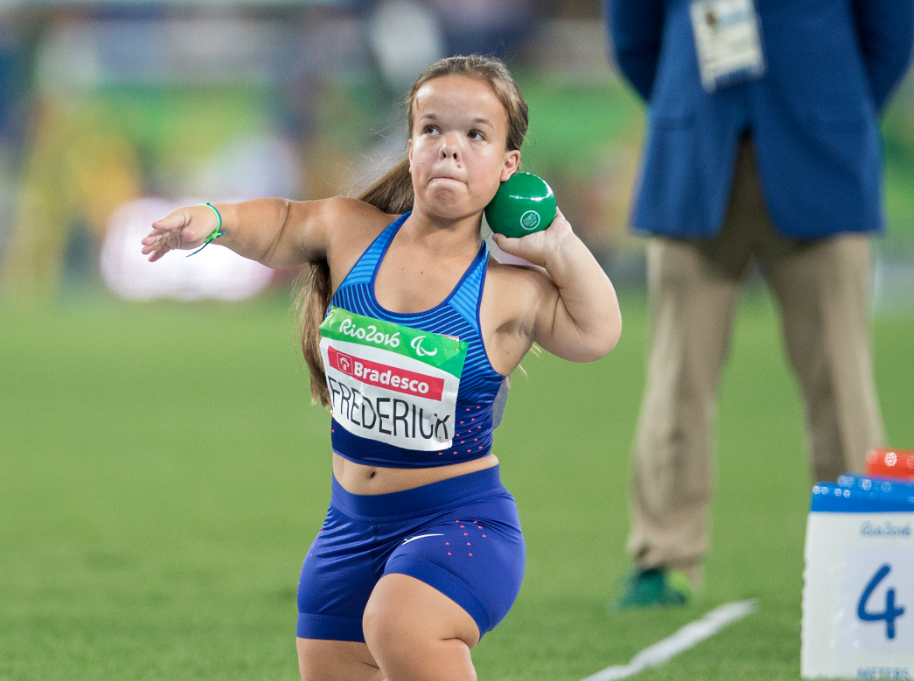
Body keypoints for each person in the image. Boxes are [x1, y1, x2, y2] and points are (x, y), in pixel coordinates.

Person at [142, 55, 621, 681]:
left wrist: (553, 237)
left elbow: (597, 332)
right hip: (348, 528)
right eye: (432, 129)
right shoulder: (351, 233)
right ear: (412, 145)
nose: (450, 147)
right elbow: (284, 221)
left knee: (402, 624)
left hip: (459, 525)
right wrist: (214, 220)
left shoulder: (508, 292)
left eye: (476, 134)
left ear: (508, 167)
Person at [605, 0, 914, 607]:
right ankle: (663, 558)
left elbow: (892, 32)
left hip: (820, 154)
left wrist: (837, 109)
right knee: (678, 381)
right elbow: (631, 37)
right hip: (696, 151)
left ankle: (863, 561)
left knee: (842, 386)